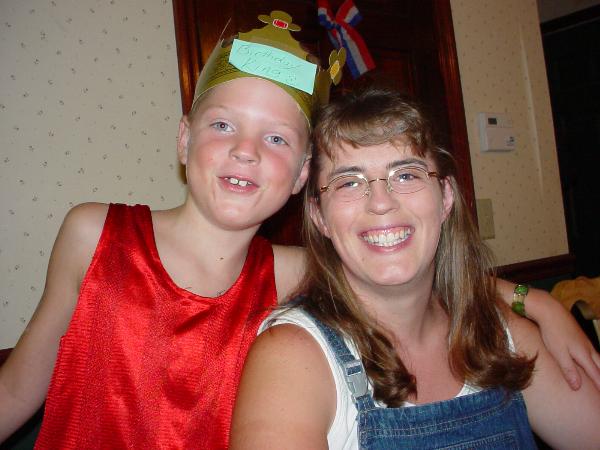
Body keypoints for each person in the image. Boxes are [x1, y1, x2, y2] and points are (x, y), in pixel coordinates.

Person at [0, 10, 597, 449]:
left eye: (277, 138)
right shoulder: (94, 233)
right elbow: (16, 391)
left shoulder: (290, 270)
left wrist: (535, 301)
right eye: (223, 126)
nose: (246, 151)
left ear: (301, 177)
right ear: (183, 140)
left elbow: (409, 268)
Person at [230, 85, 600, 449]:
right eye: (349, 182)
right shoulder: (293, 360)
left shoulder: (502, 334)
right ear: (319, 215)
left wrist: (537, 302)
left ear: (446, 197)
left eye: (406, 175)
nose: (381, 202)